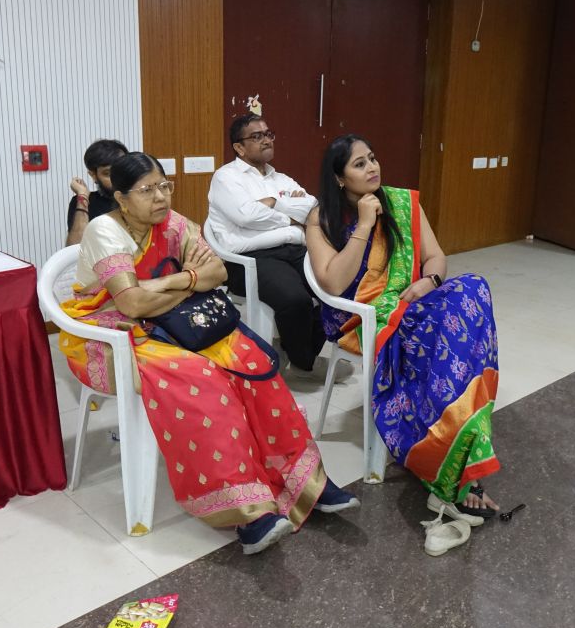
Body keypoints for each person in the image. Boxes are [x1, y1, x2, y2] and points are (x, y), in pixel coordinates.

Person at [58, 151, 358, 554]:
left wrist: (169, 283)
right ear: (122, 198)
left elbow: (216, 272)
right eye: (146, 190)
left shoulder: (173, 223)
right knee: (201, 378)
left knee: (251, 360)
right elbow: (129, 304)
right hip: (110, 336)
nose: (160, 197)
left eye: (164, 186)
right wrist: (186, 284)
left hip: (174, 322)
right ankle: (246, 512)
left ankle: (305, 482)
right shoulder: (104, 230)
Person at [305, 134, 501, 543]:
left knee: (472, 288)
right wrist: (363, 224)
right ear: (339, 178)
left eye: (373, 158)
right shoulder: (321, 218)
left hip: (410, 300)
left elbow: (436, 257)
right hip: (360, 316)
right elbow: (334, 283)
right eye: (359, 164)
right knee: (439, 340)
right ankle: (450, 461)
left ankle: (457, 429)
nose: (372, 167)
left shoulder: (401, 202)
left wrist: (430, 281)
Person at [207, 115, 346, 381]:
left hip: (293, 250)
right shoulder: (226, 177)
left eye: (268, 134)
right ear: (239, 147)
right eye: (256, 136)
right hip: (248, 259)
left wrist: (273, 202)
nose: (266, 140)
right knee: (295, 299)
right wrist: (289, 215)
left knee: (337, 287)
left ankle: (299, 351)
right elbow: (246, 216)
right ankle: (305, 362)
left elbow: (311, 208)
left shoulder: (280, 178)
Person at [66, 139, 129, 246]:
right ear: (94, 175)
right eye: (108, 173)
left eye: (122, 170)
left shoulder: (140, 196)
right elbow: (75, 248)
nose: (118, 178)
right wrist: (82, 196)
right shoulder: (84, 202)